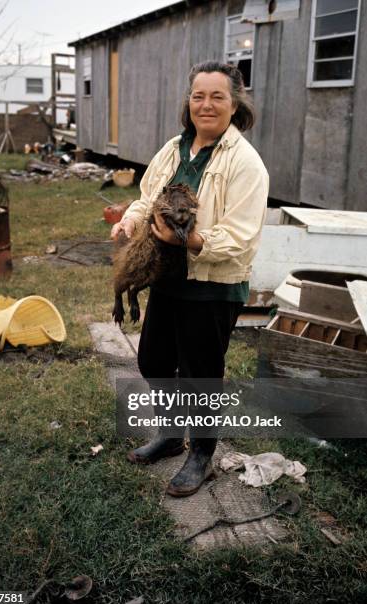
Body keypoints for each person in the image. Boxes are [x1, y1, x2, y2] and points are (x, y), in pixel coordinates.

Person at [111, 60, 269, 497]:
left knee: (201, 372)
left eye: (218, 96)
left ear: (235, 103)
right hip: (167, 277)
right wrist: (128, 221)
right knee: (155, 362)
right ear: (189, 101)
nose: (207, 104)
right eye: (199, 95)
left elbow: (240, 236)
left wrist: (191, 240)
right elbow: (146, 198)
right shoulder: (173, 149)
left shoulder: (245, 164)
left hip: (213, 284)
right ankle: (170, 434)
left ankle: (201, 454)